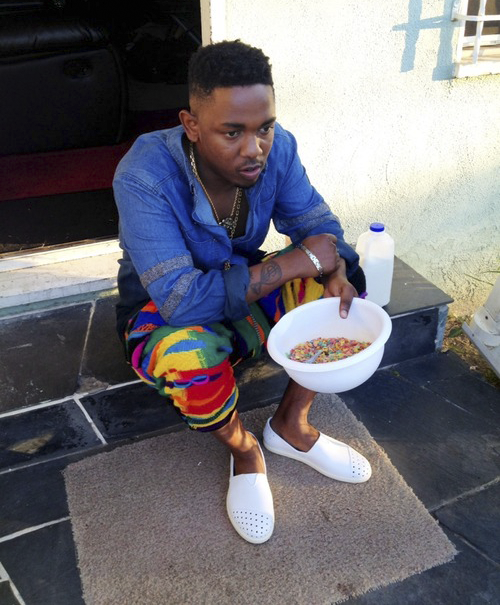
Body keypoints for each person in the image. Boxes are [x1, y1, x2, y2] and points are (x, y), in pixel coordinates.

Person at [113, 39, 371, 545]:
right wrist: (295, 262)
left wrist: (336, 267)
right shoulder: (144, 174)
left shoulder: (280, 149)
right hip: (162, 310)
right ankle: (245, 450)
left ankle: (291, 426)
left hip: (243, 287)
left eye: (264, 128)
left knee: (345, 292)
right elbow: (181, 299)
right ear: (191, 125)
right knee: (187, 356)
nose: (254, 149)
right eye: (232, 132)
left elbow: (319, 228)